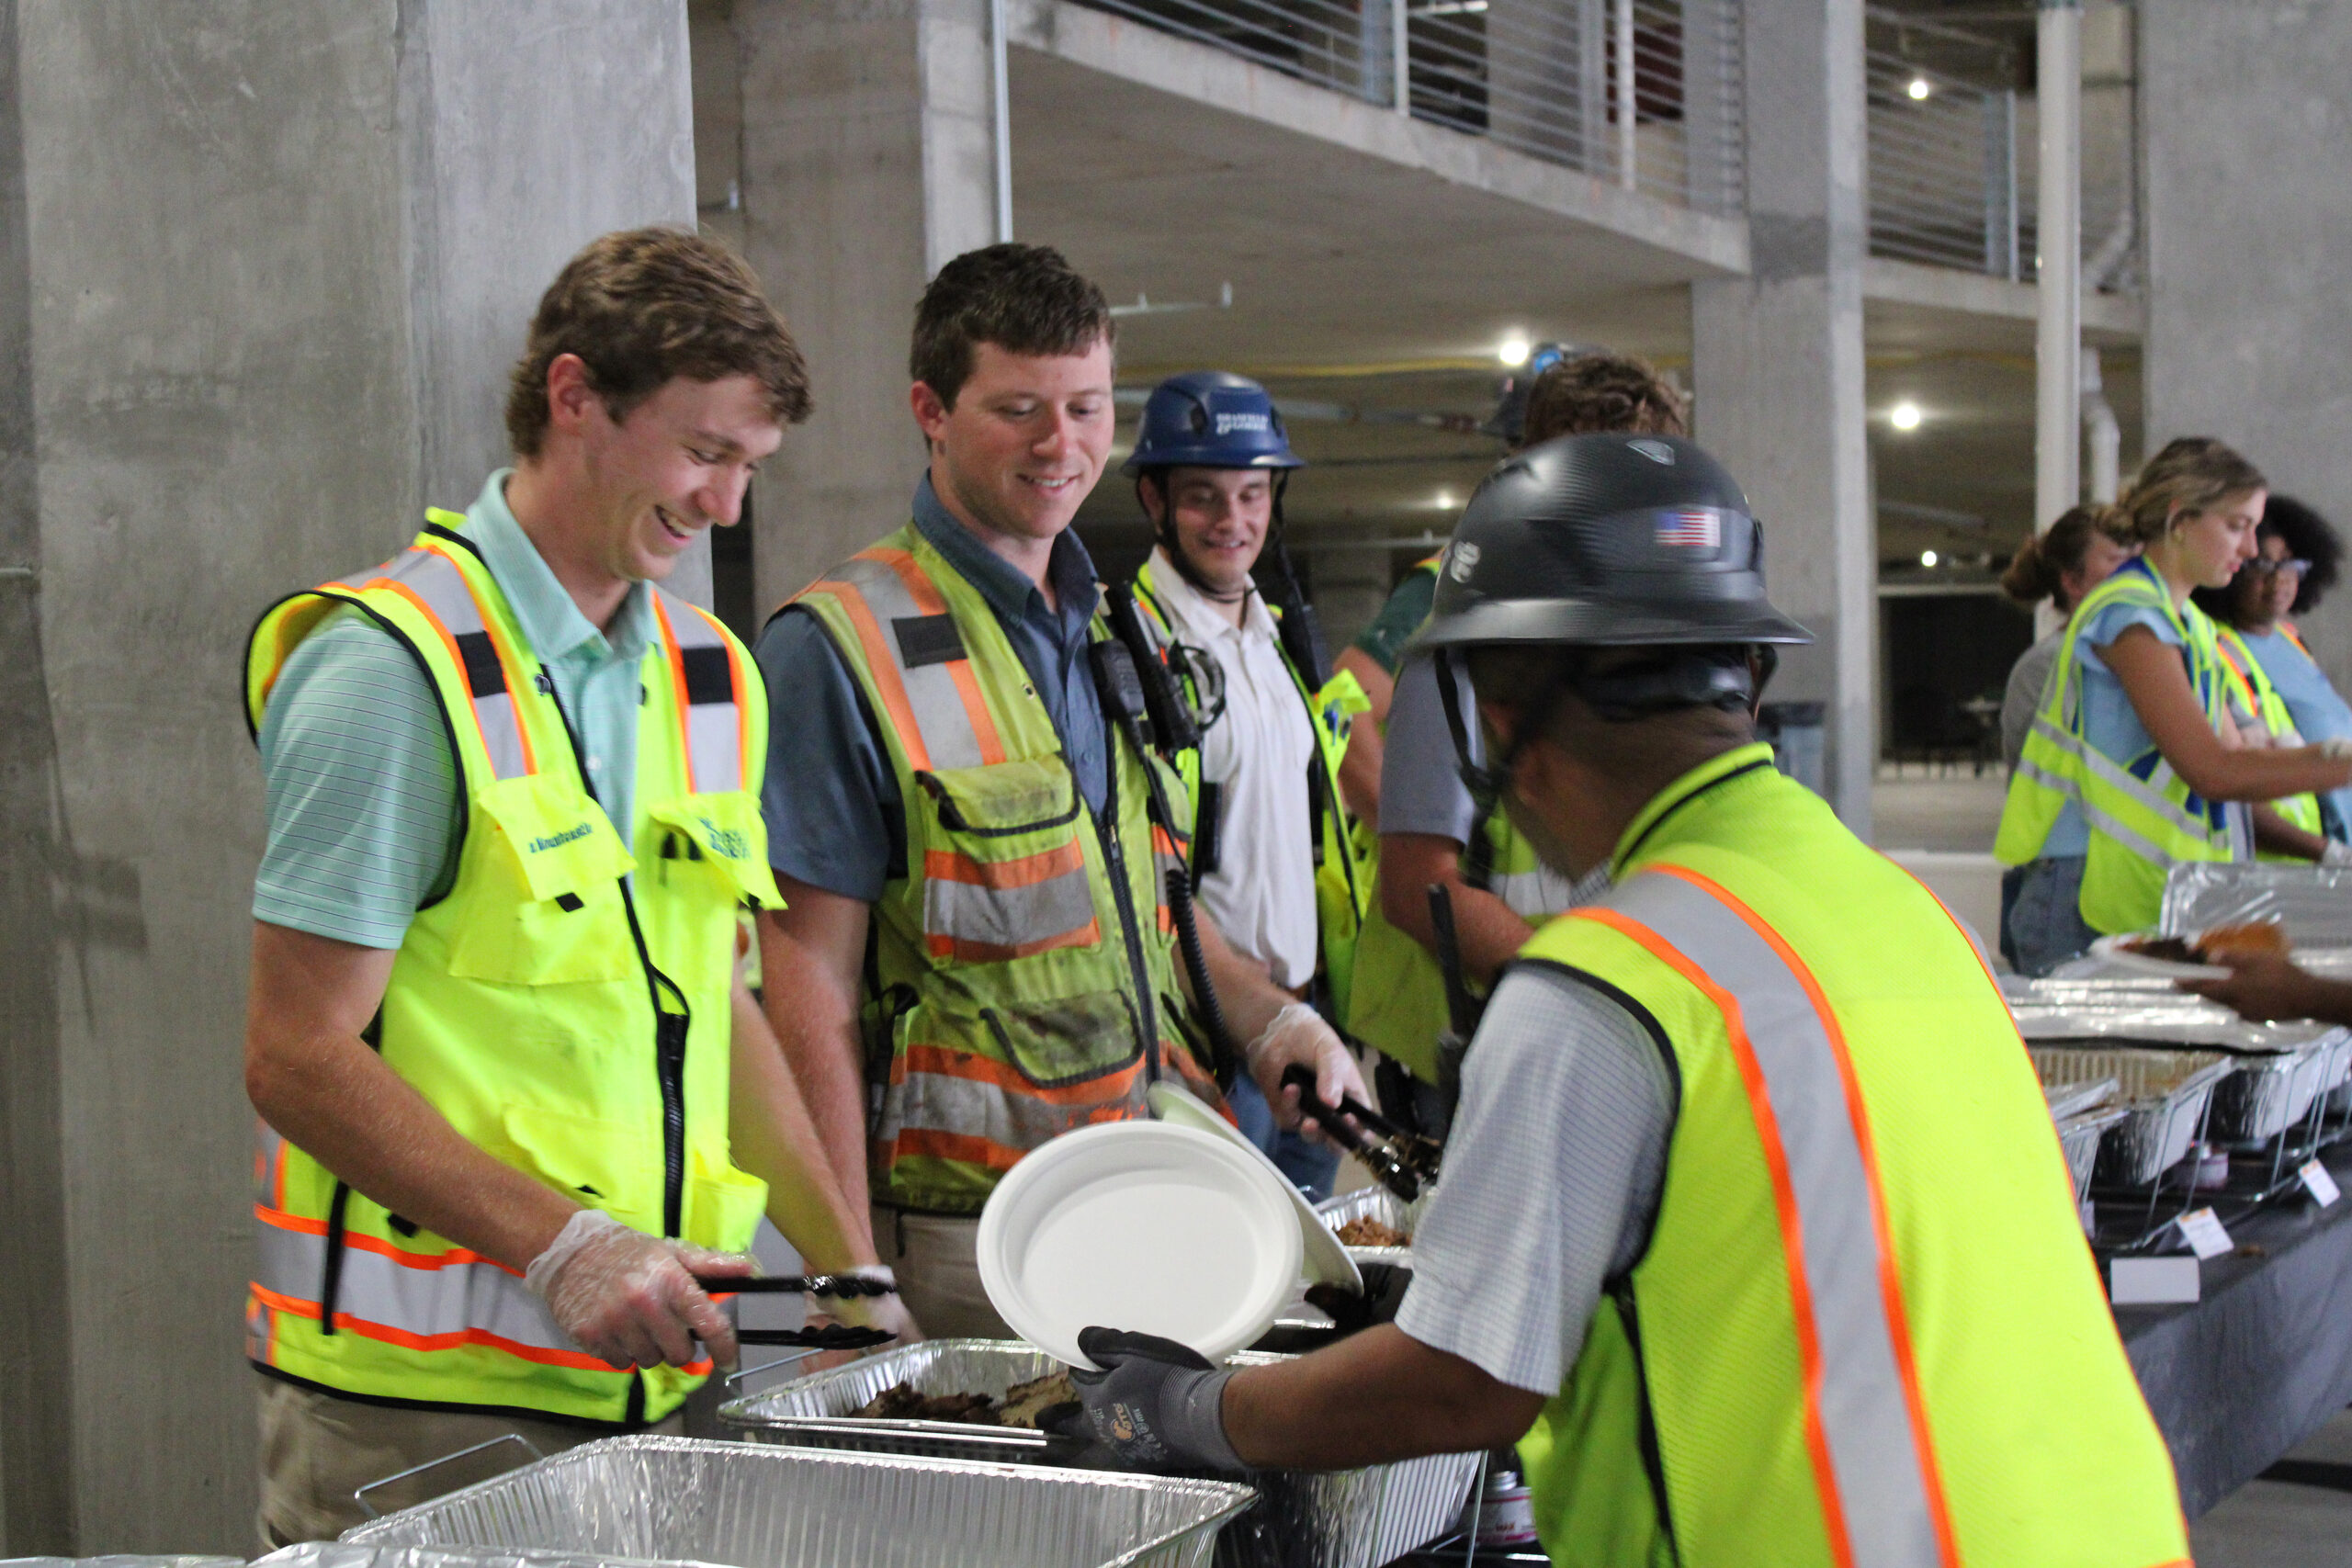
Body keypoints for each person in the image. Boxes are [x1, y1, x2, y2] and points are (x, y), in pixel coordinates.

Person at [1057, 433, 2190, 1568]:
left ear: (1497, 716)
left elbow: (1464, 1384)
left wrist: (1184, 1412)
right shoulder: (1898, 908)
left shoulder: (1599, 987)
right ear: (1746, 672)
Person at [240, 230, 895, 1546]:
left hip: (667, 1384)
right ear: (575, 395)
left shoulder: (713, 677)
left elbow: (717, 1003)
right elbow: (294, 1052)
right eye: (705, 453)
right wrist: (565, 1245)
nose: (726, 508)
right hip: (421, 1414)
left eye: (750, 469)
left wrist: (845, 1274)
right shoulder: (390, 671)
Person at [751, 244, 1369, 1337]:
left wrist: (1275, 1023)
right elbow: (808, 988)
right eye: (1019, 409)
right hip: (962, 1245)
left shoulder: (1107, 625)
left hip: (1153, 1193)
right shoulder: (839, 644)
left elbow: (1144, 899)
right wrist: (843, 1274)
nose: (1062, 445)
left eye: (1087, 408)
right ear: (929, 411)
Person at [1345, 351, 1690, 1111]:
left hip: (1607, 1034)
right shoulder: (1463, 642)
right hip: (1477, 1050)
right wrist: (1583, 992)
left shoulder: (1669, 647)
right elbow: (1416, 886)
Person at [1121, 372, 1377, 1199]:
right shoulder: (1130, 647)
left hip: (1306, 1019)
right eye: (1204, 496)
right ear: (1154, 500)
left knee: (1308, 1287)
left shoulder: (1275, 640)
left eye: (1252, 494)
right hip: (1213, 1034)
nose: (1232, 521)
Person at [1997, 437, 2352, 975]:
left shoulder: (2190, 625)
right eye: (2237, 527)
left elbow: (2240, 768)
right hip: (2081, 887)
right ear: (2179, 520)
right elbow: (2213, 769)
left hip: (2144, 884)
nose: (2252, 548)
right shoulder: (2129, 618)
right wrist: (2338, 760)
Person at [1992, 503, 2138, 964]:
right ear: (2072, 582)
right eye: (2117, 563)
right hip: (2066, 881)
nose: (2136, 577)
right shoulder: (2048, 666)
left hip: (2115, 874)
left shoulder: (2142, 655)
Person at [2192, 495, 2352, 840]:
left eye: (2290, 565)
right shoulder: (2214, 648)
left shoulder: (2291, 640)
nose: (2280, 579)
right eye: (2263, 566)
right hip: (2289, 853)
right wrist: (2323, 850)